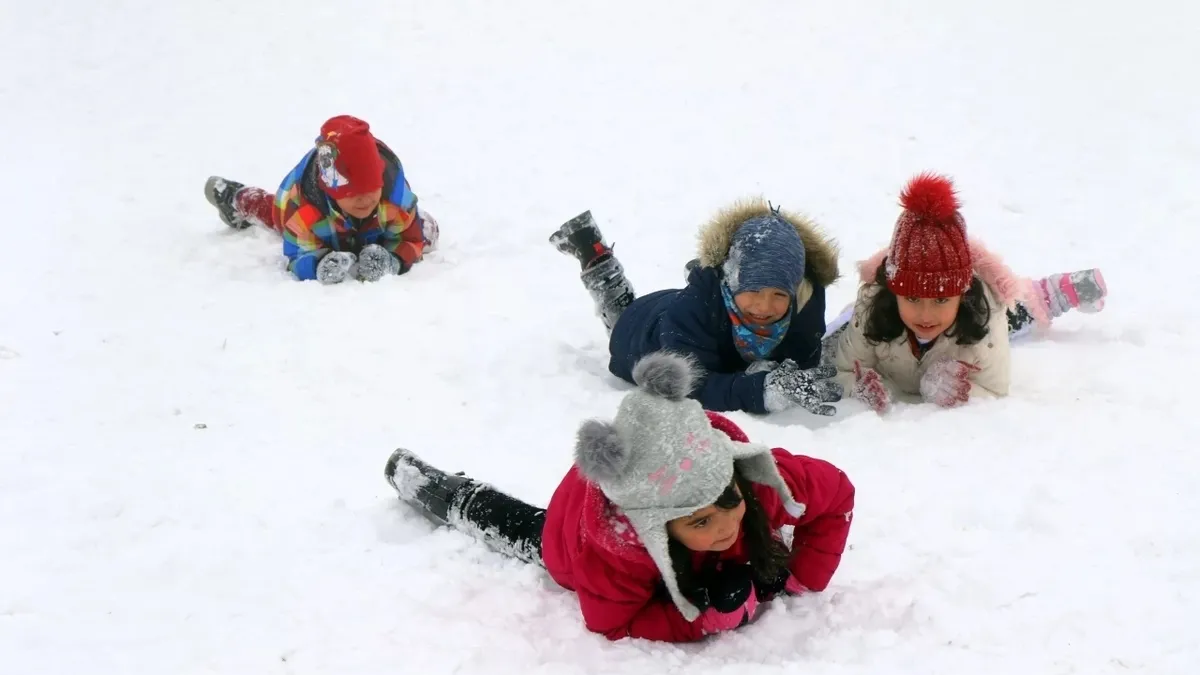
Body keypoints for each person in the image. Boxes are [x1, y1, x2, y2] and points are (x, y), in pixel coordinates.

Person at [384, 351, 856, 642]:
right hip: (573, 533)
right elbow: (612, 623)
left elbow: (837, 496)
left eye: (727, 503)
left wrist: (800, 577)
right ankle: (435, 488)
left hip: (643, 473)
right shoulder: (617, 552)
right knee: (524, 529)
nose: (725, 526)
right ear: (657, 527)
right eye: (698, 522)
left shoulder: (754, 479)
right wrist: (702, 620)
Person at [828, 172, 1107, 412]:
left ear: (962, 293)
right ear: (894, 292)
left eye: (940, 299)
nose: (926, 315)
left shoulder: (985, 317)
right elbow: (842, 371)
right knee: (840, 332)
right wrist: (861, 387)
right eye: (912, 298)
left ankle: (1050, 294)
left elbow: (995, 389)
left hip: (970, 324)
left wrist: (956, 391)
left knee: (1015, 312)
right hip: (889, 322)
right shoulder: (871, 309)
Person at [549, 200, 843, 416]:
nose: (764, 306)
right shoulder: (690, 313)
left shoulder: (806, 299)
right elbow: (690, 387)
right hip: (643, 331)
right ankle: (597, 259)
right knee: (620, 313)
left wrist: (782, 374)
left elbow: (804, 357)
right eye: (752, 290)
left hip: (698, 310)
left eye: (779, 294)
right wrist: (759, 390)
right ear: (731, 282)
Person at [203, 115, 439, 284]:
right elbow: (296, 256)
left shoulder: (395, 201)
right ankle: (236, 198)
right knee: (275, 215)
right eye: (352, 194)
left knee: (425, 233)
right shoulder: (305, 212)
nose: (365, 199)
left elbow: (411, 239)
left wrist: (394, 261)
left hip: (377, 225)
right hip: (309, 214)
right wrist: (317, 265)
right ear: (332, 191)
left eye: (371, 189)